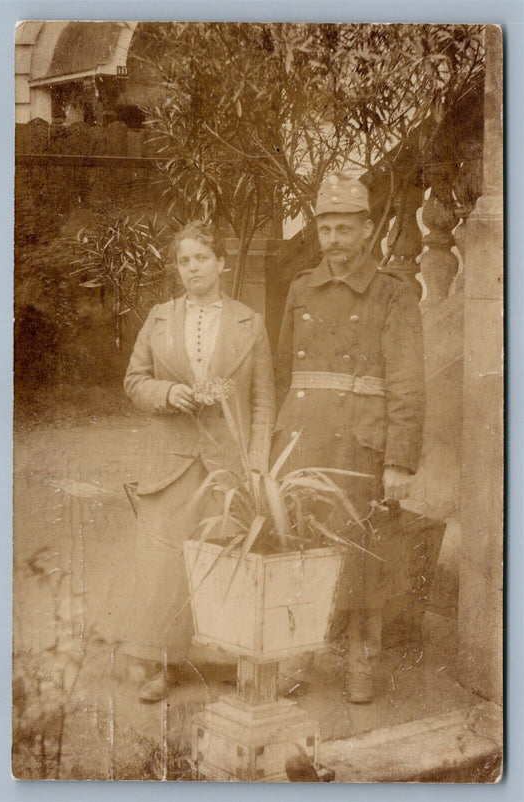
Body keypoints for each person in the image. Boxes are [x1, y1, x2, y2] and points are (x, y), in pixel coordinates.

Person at [273, 173, 426, 703]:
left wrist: (400, 461)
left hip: (359, 444)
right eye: (326, 228)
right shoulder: (299, 289)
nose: (334, 240)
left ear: (366, 230)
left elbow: (407, 381)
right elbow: (283, 368)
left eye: (345, 228)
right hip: (302, 437)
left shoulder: (393, 293)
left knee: (359, 552)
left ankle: (362, 658)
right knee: (300, 547)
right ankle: (298, 649)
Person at [120, 221, 275, 703]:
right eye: (184, 261)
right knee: (165, 564)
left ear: (221, 263)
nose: (192, 268)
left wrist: (255, 461)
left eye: (201, 259)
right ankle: (161, 664)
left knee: (225, 557)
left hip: (225, 462)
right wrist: (168, 392)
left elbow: (264, 402)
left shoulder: (250, 322)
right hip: (170, 460)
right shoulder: (159, 318)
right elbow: (134, 381)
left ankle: (225, 660)